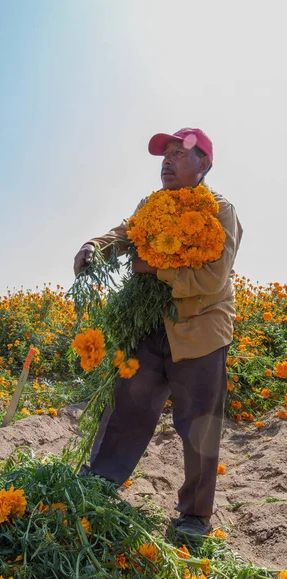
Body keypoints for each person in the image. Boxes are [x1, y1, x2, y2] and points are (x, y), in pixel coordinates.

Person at [73, 128, 243, 540]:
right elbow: (123, 234)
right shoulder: (153, 205)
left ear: (204, 163)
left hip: (200, 331)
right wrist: (96, 247)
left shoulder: (220, 211)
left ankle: (194, 516)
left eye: (178, 154)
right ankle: (101, 482)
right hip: (151, 324)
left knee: (199, 424)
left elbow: (214, 277)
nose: (166, 161)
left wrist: (156, 270)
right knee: (127, 406)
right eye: (164, 155)